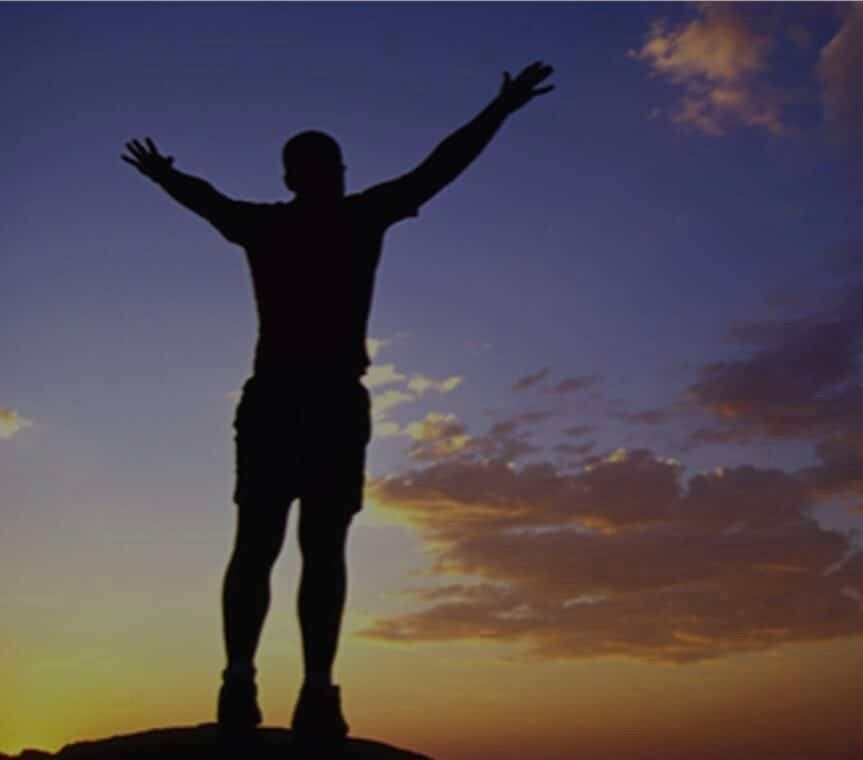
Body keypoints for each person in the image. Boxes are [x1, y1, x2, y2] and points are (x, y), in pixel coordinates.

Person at [121, 61, 555, 739]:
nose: (338, 173)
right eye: (330, 165)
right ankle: (291, 688)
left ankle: (264, 684)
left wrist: (164, 176)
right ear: (306, 175)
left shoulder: (275, 224)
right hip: (314, 403)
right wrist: (499, 111)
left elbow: (207, 197)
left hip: (295, 403)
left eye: (335, 164)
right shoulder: (347, 218)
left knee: (273, 546)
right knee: (301, 548)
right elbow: (438, 168)